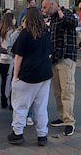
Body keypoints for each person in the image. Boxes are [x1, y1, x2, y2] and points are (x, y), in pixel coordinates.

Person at [9, 8, 53, 146]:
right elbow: (50, 53)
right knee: (41, 107)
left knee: (21, 106)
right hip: (45, 75)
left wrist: (15, 77)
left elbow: (18, 57)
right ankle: (42, 135)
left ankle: (17, 133)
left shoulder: (25, 34)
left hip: (27, 76)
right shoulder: (46, 33)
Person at [43, 0, 79, 136]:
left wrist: (62, 16)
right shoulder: (52, 19)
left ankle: (69, 121)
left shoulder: (66, 13)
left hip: (66, 57)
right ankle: (61, 116)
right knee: (58, 91)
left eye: (45, 7)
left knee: (67, 91)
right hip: (54, 58)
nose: (44, 10)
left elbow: (74, 23)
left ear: (53, 5)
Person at [0, 12, 20, 111]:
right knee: (11, 81)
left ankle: (3, 100)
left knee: (3, 81)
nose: (15, 20)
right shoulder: (13, 31)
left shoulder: (0, 30)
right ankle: (11, 102)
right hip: (10, 58)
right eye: (14, 18)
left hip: (1, 58)